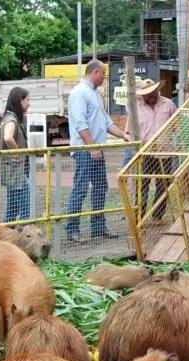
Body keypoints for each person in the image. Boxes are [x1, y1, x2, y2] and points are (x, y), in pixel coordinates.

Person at [66, 59, 127, 243]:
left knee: (101, 187)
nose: (105, 78)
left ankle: (98, 227)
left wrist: (123, 135)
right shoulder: (79, 93)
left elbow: (106, 121)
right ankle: (72, 229)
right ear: (95, 72)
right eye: (103, 74)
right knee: (81, 188)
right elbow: (80, 123)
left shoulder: (96, 94)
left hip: (96, 149)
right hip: (86, 150)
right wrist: (91, 147)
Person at [123, 79, 177, 223]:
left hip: (165, 151)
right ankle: (139, 217)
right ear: (141, 95)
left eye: (152, 92)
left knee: (163, 184)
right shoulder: (135, 107)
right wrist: (134, 145)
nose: (151, 96)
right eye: (146, 94)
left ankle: (158, 216)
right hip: (144, 152)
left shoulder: (169, 104)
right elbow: (128, 133)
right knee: (142, 185)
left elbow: (175, 125)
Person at [0, 87, 31, 222]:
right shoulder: (12, 119)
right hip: (16, 171)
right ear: (19, 101)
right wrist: (17, 153)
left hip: (11, 170)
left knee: (12, 208)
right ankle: (25, 237)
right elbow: (8, 138)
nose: (29, 103)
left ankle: (6, 237)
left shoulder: (8, 118)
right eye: (27, 100)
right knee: (24, 208)